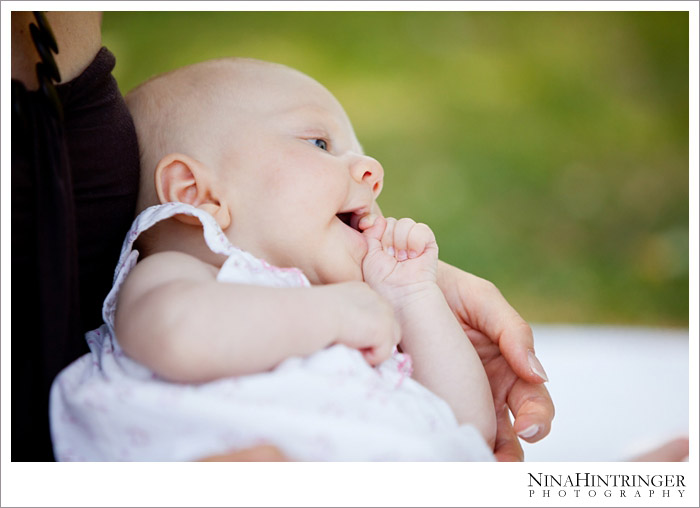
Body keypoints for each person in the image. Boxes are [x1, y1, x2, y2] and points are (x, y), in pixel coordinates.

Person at [12, 11, 553, 462]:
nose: (370, 168)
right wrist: (337, 315)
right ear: (196, 194)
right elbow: (175, 334)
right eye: (320, 144)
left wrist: (416, 296)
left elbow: (466, 432)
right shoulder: (186, 277)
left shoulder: (343, 299)